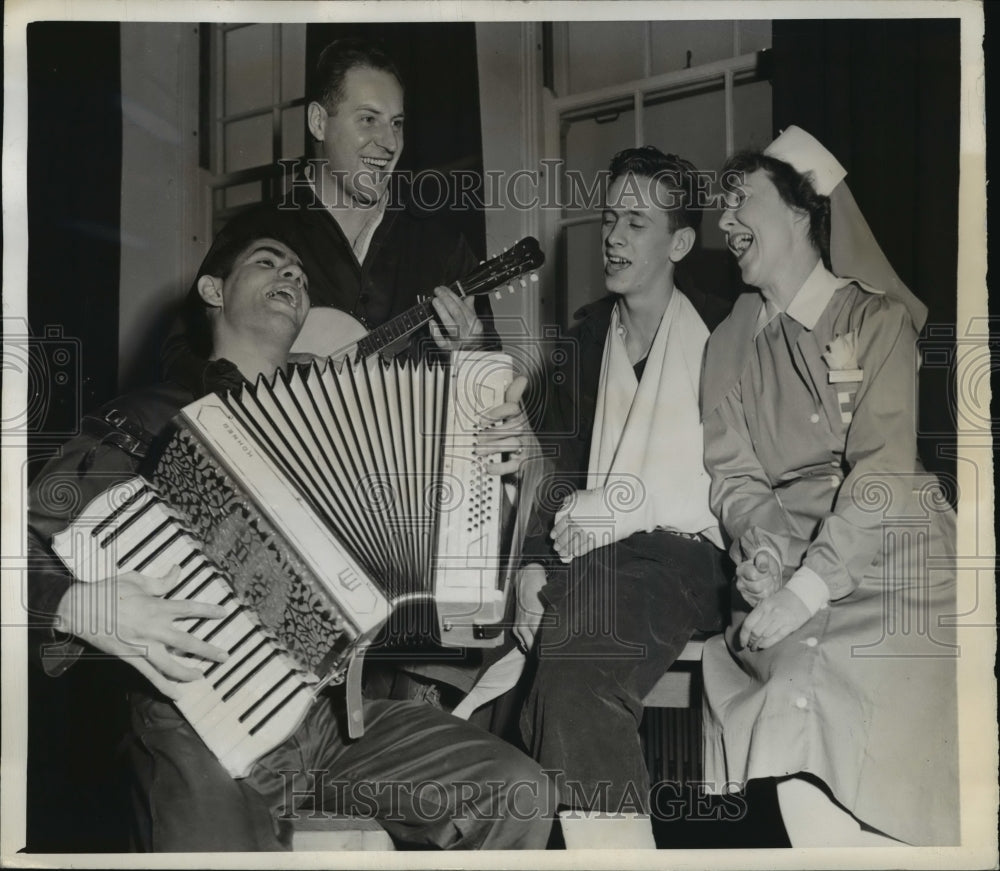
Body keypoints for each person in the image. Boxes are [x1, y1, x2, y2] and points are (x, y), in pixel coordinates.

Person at [27, 208, 553, 851]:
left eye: (300, 272)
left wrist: (484, 422)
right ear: (214, 291)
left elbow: (477, 528)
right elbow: (18, 545)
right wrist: (88, 604)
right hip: (196, 719)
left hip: (334, 720)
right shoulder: (144, 419)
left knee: (516, 789)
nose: (291, 274)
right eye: (267, 261)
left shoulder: (354, 425)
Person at [699, 126, 958, 847]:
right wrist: (763, 554)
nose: (723, 222)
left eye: (739, 199)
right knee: (789, 701)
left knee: (886, 707)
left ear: (800, 213)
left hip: (900, 553)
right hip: (791, 562)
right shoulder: (727, 344)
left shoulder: (876, 320)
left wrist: (807, 589)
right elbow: (736, 476)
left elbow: (881, 468)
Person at [513, 147, 728, 847]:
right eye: (610, 218)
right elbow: (560, 479)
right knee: (494, 699)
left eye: (637, 222)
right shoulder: (584, 342)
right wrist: (533, 566)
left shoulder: (724, 334)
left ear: (680, 242)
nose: (612, 236)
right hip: (590, 560)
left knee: (575, 669)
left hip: (684, 557)